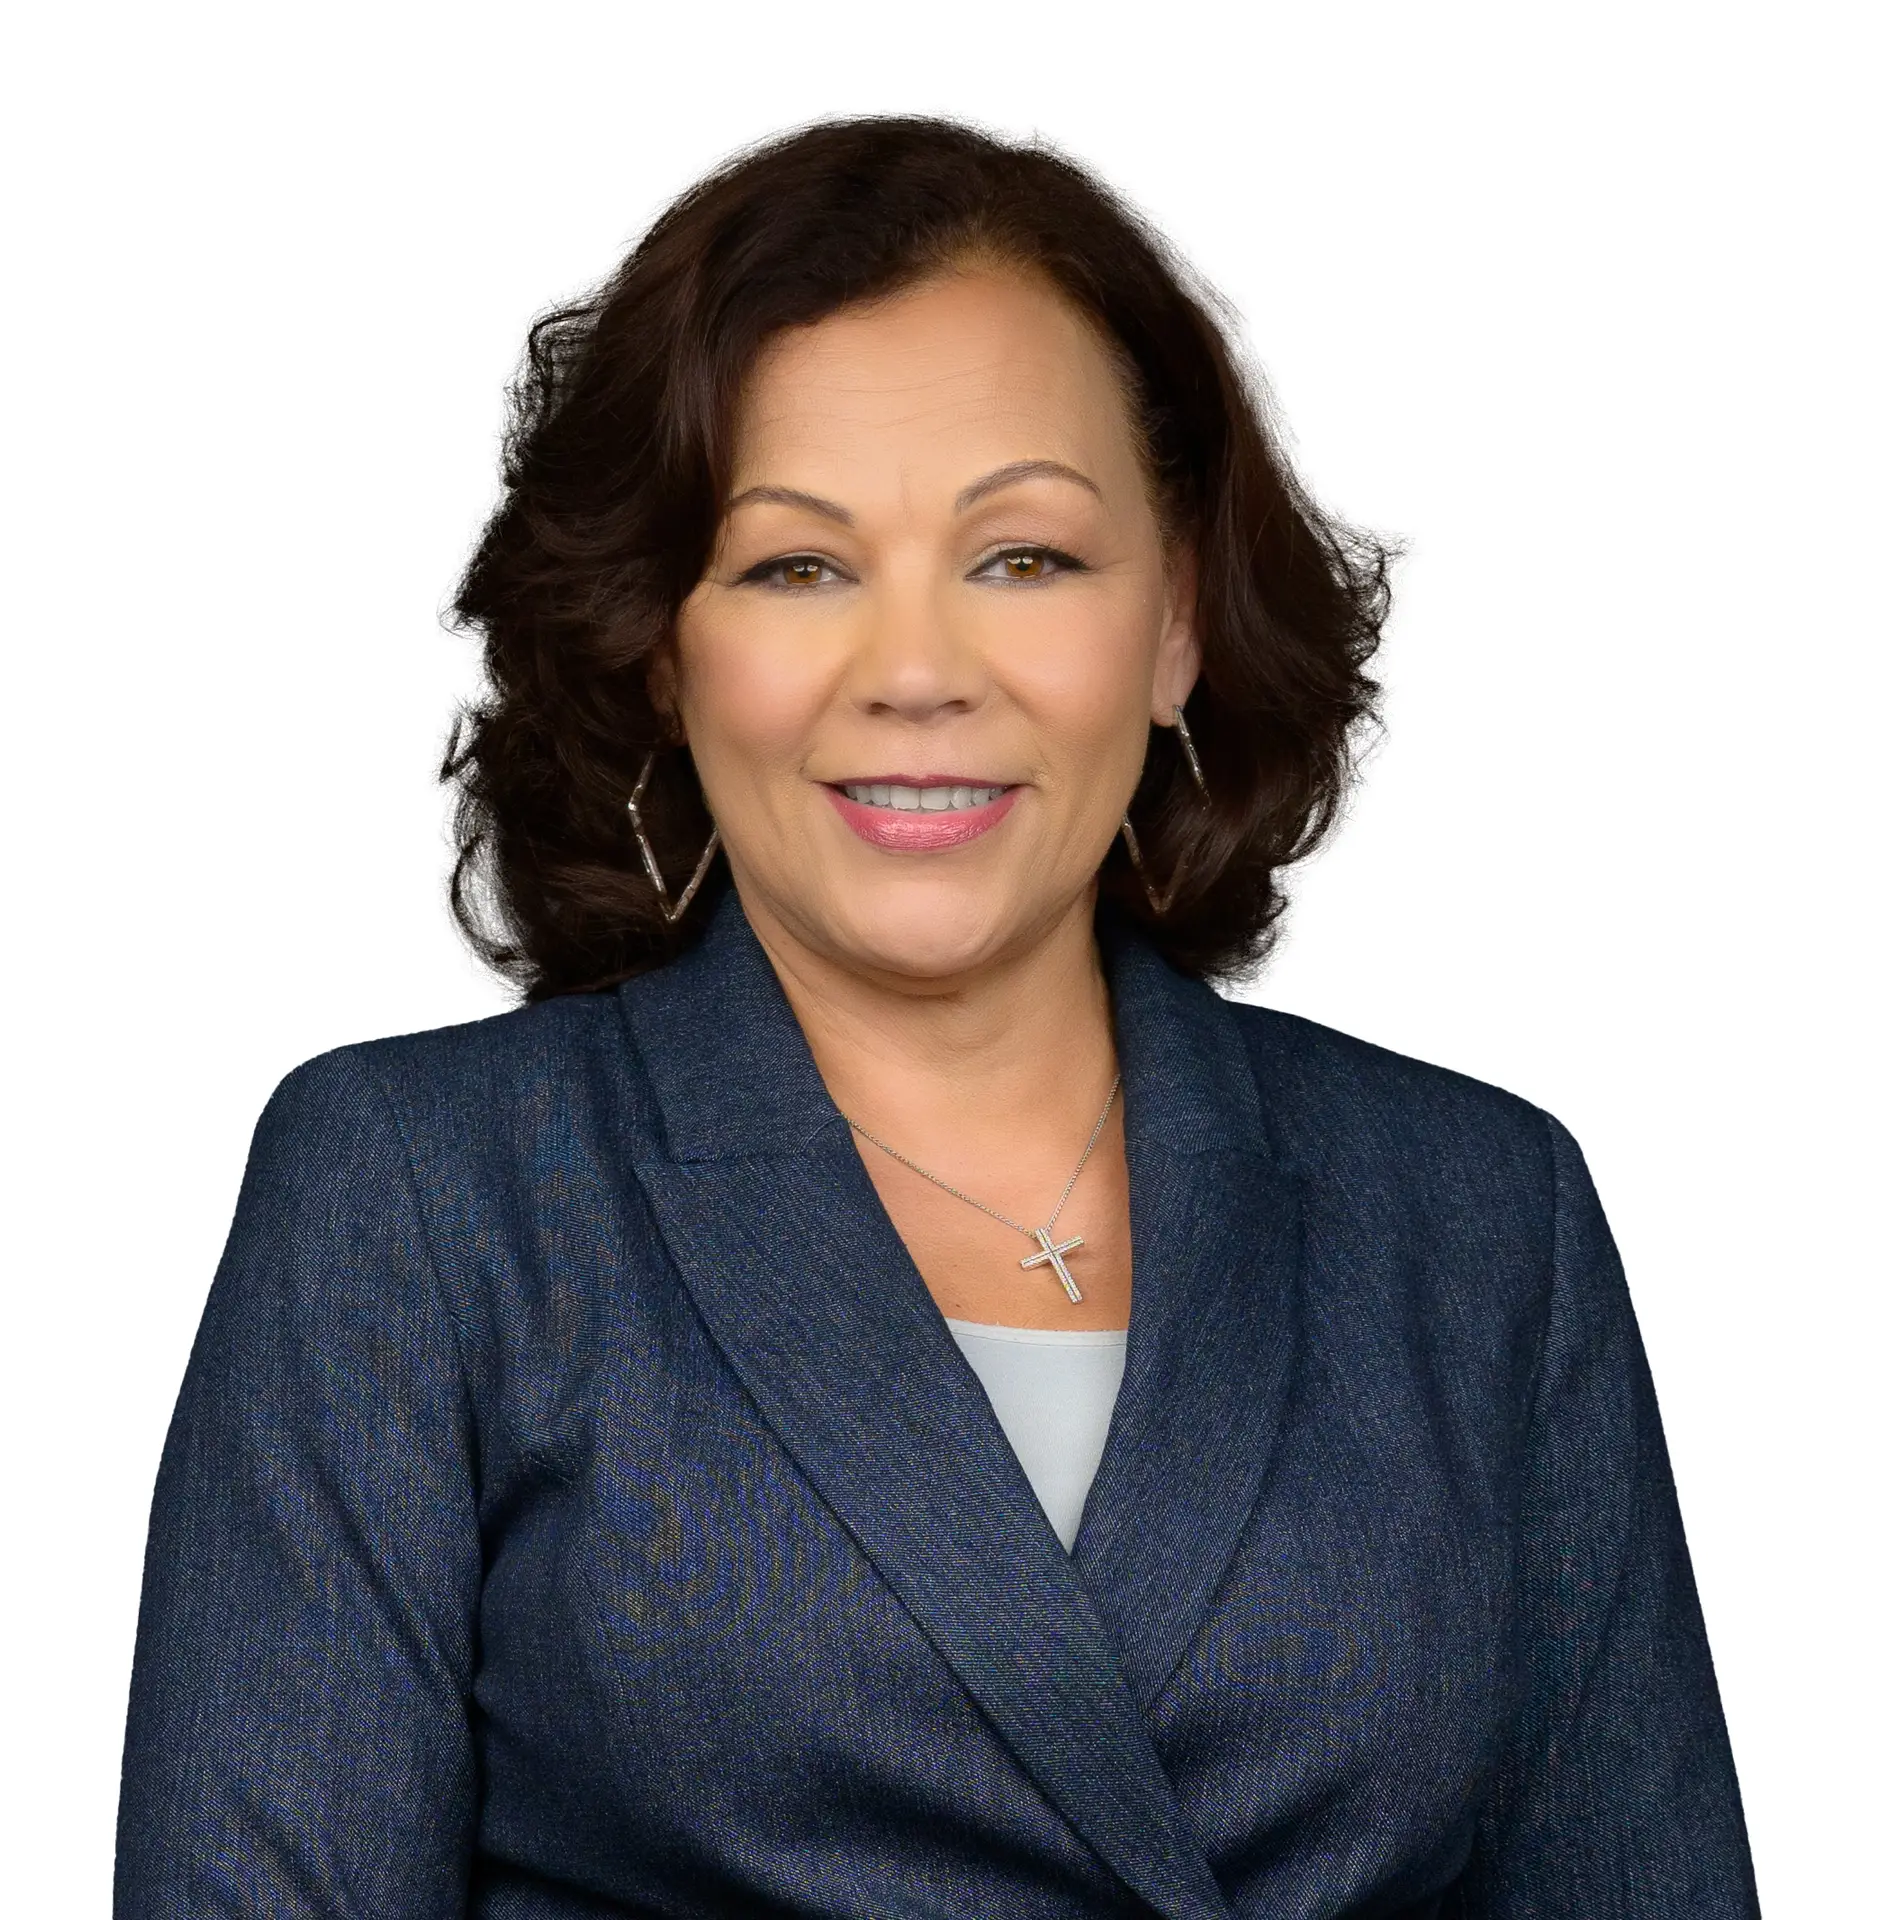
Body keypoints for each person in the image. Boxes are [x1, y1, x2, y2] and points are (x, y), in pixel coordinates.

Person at [114, 115, 1759, 1918]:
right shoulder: (425, 1201)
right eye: (797, 566)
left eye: (1025, 558)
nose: (915, 672)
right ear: (662, 645)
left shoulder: (1479, 1214)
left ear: (1177, 621)